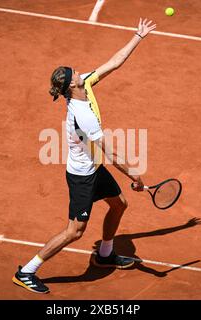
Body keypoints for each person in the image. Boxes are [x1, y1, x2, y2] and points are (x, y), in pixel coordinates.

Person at [13, 18, 157, 294]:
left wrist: (137, 37)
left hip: (93, 168)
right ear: (72, 84)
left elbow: (113, 63)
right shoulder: (83, 115)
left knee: (119, 204)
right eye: (75, 72)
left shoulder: (85, 86)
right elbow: (112, 152)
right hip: (82, 177)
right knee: (74, 232)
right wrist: (135, 175)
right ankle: (27, 271)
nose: (79, 71)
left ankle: (104, 254)